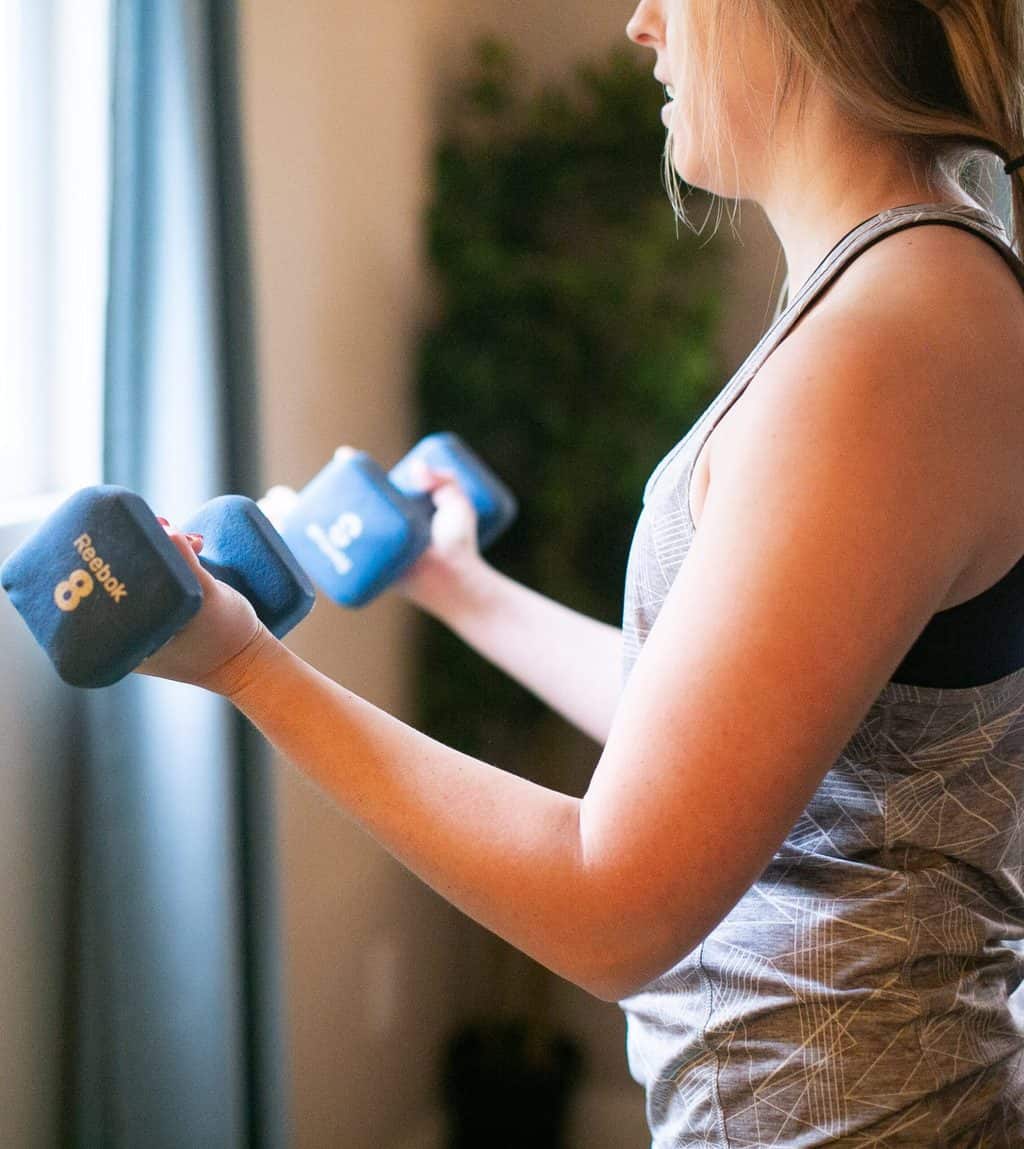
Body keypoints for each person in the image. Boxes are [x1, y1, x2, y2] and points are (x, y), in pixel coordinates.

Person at [142, 0, 1024, 1143]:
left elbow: (618, 909)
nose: (640, 23)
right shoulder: (903, 295)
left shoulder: (887, 345)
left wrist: (249, 672)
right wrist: (463, 587)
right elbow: (726, 741)